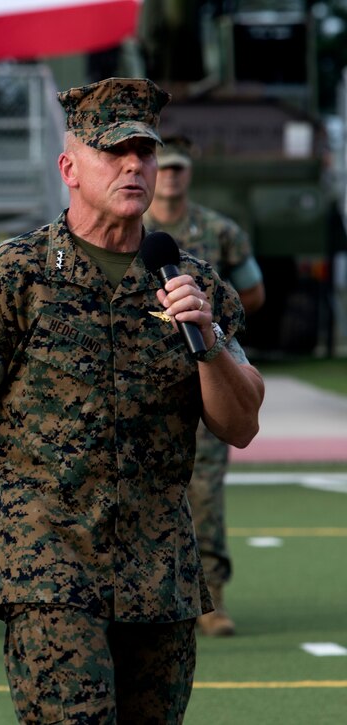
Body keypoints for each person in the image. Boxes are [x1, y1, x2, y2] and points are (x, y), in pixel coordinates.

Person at [0, 78, 264, 722]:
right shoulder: (13, 275)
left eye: (145, 152)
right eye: (115, 151)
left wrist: (208, 344)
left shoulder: (190, 281)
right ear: (69, 167)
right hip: (47, 566)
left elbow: (241, 424)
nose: (135, 165)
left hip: (160, 574)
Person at [145, 136, 266, 637]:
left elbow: (253, 291)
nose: (170, 176)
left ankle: (212, 596)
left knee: (208, 495)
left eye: (177, 168)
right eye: (163, 168)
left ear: (188, 173)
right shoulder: (129, 232)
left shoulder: (218, 231)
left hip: (209, 372)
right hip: (152, 388)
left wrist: (217, 331)